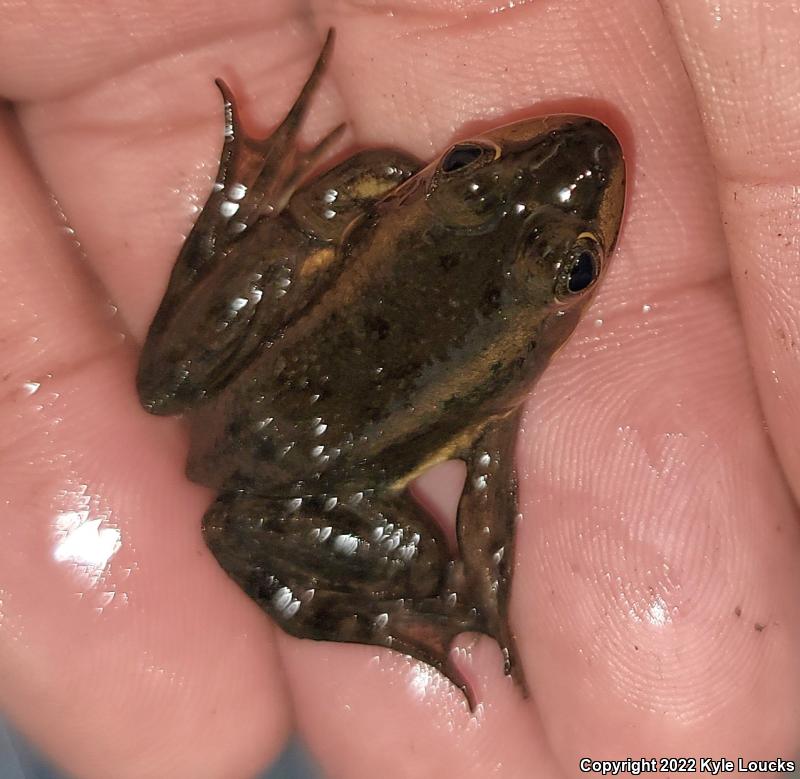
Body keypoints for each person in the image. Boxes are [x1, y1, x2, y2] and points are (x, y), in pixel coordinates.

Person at [0, 2, 798, 777]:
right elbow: (486, 516)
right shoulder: (486, 379)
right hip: (285, 463)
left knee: (205, 369)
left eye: (571, 265)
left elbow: (337, 204)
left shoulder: (385, 187)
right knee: (424, 562)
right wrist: (473, 597)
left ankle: (251, 195)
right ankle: (400, 613)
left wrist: (283, 212)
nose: (569, 151)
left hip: (239, 401)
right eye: (467, 172)